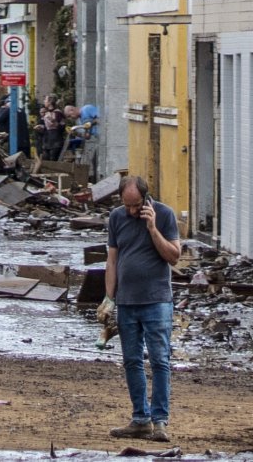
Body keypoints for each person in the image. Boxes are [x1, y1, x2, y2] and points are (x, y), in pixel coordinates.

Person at [104, 176, 180, 443]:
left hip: (157, 301)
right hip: (126, 302)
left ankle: (159, 421)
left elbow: (173, 256)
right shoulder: (116, 217)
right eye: (127, 206)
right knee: (132, 361)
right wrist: (108, 299)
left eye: (136, 206)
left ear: (146, 200)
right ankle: (140, 419)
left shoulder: (165, 215)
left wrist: (152, 228)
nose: (132, 211)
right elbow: (112, 260)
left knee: (160, 361)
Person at [37, 95, 66, 162]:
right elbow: (45, 126)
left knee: (53, 161)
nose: (44, 101)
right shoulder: (46, 113)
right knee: (45, 160)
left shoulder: (58, 113)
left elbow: (62, 127)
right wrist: (41, 128)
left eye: (45, 100)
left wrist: (55, 122)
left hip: (55, 141)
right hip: (47, 141)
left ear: (50, 102)